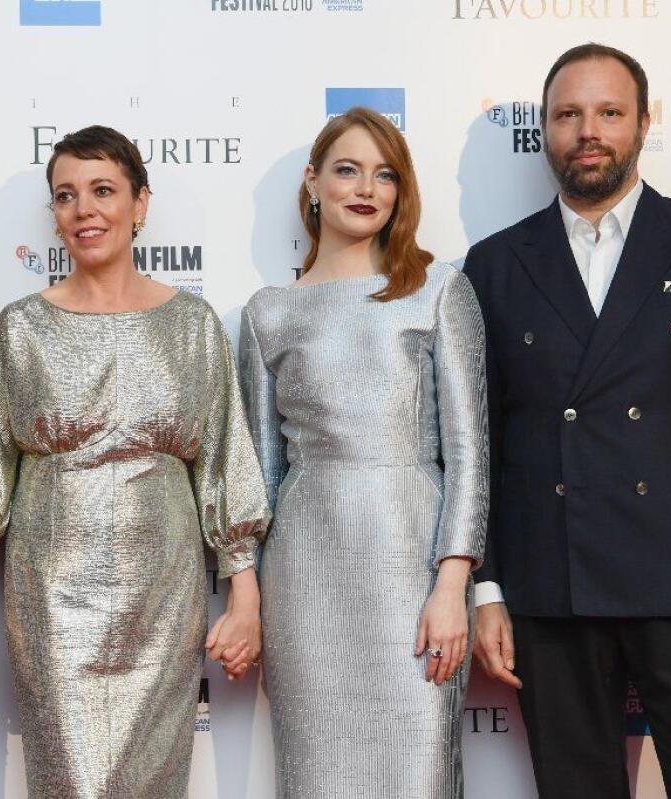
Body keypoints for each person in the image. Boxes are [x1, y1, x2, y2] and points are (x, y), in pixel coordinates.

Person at [467, 44, 671, 799]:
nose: (589, 131)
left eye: (609, 113)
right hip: (552, 592)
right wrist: (488, 589)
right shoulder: (494, 265)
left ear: (643, 124)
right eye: (568, 115)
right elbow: (478, 447)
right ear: (545, 131)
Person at [0, 125, 270, 798]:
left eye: (102, 190)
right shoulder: (20, 327)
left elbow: (226, 468)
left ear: (140, 204)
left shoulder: (194, 324)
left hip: (164, 601)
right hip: (53, 603)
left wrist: (244, 595)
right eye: (65, 196)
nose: (83, 209)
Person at [240, 107, 489, 797]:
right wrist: (250, 597)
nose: (365, 188)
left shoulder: (438, 292)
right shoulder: (268, 313)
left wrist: (451, 583)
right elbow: (262, 475)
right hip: (305, 583)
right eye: (347, 169)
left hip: (413, 574)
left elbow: (469, 453)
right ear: (312, 182)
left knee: (421, 775)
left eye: (385, 175)